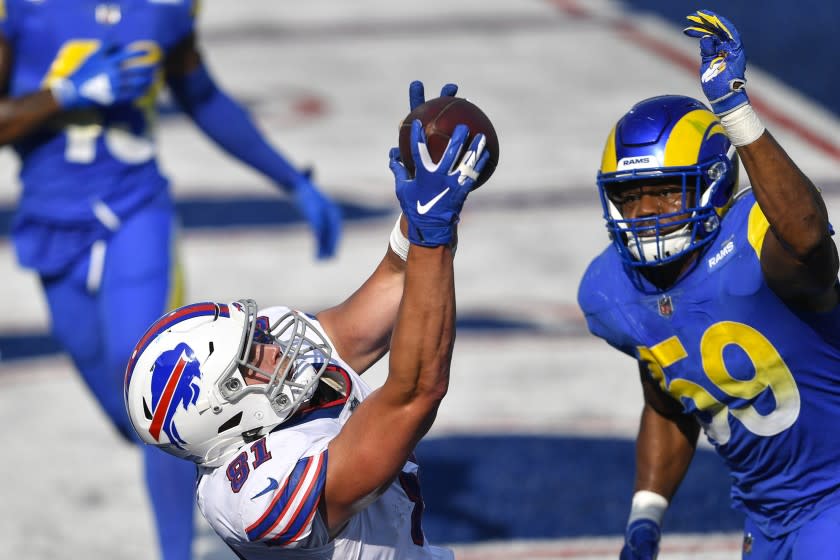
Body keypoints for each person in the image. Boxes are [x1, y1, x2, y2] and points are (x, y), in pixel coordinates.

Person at [0, 2, 341, 559]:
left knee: (160, 397)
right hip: (50, 223)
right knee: (128, 415)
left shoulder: (165, 6)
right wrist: (61, 95)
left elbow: (200, 95)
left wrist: (292, 179)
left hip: (136, 208)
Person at [123, 80, 490, 558]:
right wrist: (432, 232)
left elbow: (392, 288)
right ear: (228, 412)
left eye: (253, 337)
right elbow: (415, 393)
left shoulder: (265, 385)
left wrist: (422, 207)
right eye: (253, 355)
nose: (274, 344)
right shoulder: (250, 497)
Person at [577, 9, 840, 560]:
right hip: (765, 518)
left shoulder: (756, 240)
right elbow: (669, 395)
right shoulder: (610, 290)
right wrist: (644, 518)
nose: (645, 211)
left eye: (667, 191)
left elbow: (810, 243)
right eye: (630, 195)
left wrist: (736, 112)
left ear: (715, 186)